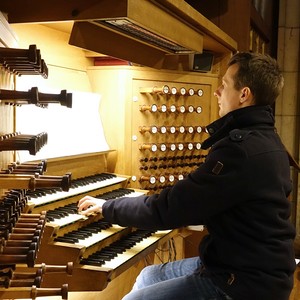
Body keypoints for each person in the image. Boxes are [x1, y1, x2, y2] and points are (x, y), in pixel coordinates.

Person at [77, 52, 296, 300]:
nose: (217, 92)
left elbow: (171, 208)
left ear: (244, 95)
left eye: (224, 85)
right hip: (252, 265)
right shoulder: (267, 138)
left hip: (243, 282)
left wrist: (108, 207)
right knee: (149, 276)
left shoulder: (239, 150)